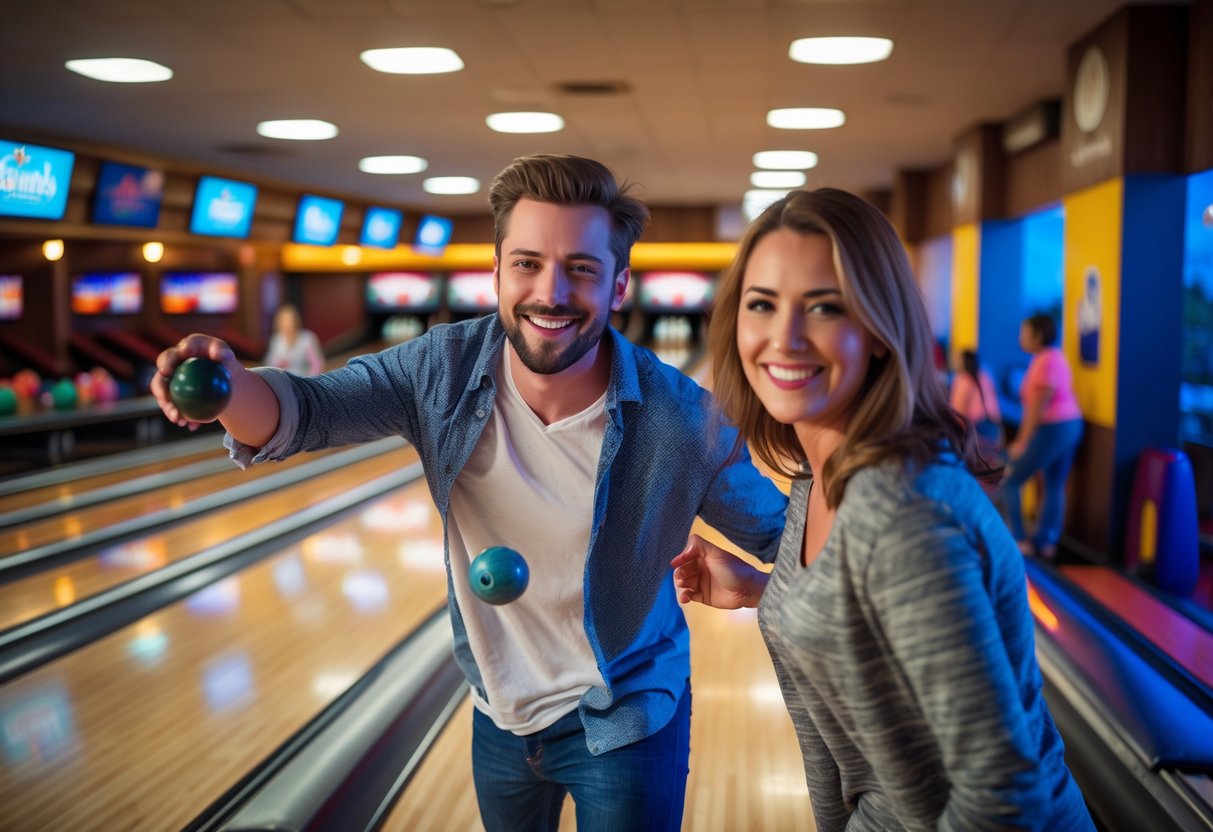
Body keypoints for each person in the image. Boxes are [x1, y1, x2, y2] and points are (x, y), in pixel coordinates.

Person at [153, 154, 787, 831]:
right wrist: (226, 384)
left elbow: (794, 543)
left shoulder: (682, 421)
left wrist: (760, 579)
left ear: (619, 285)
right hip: (497, 711)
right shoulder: (439, 370)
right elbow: (306, 410)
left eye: (580, 268)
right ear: (495, 272)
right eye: (526, 263)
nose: (550, 291)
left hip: (627, 715)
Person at [671, 189, 1093, 831]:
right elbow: (865, 599)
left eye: (824, 307)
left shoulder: (906, 518)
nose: (785, 337)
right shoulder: (822, 480)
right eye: (763, 304)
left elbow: (1004, 799)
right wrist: (769, 588)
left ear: (876, 330)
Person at [1001, 313, 1084, 560]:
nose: (1020, 337)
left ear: (1038, 335)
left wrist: (1022, 442)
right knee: (1055, 482)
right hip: (1070, 424)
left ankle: (1019, 539)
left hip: (1056, 427)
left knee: (1011, 480)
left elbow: (1037, 405)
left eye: (1024, 332)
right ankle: (1046, 541)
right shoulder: (1051, 357)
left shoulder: (1046, 360)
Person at [950, 347, 1004, 461]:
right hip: (991, 424)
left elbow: (958, 410)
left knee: (974, 466)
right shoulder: (985, 375)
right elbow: (994, 401)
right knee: (988, 464)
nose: (954, 361)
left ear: (963, 361)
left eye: (956, 359)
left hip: (976, 427)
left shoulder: (963, 379)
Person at [264, 303, 324, 375]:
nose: (287, 324)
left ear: (295, 321)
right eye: (283, 321)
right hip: (283, 380)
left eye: (289, 320)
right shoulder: (276, 340)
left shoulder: (307, 339)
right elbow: (269, 362)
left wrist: (309, 381)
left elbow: (317, 365)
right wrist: (278, 362)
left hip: (303, 379)